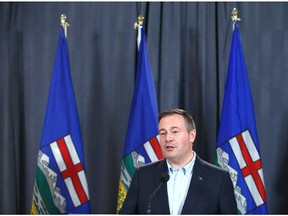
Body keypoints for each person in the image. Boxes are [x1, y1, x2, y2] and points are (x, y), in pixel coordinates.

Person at [119, 108, 237, 214]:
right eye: (162, 133)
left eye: (175, 132)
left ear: (192, 135)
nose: (168, 138)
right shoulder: (143, 175)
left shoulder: (218, 178)